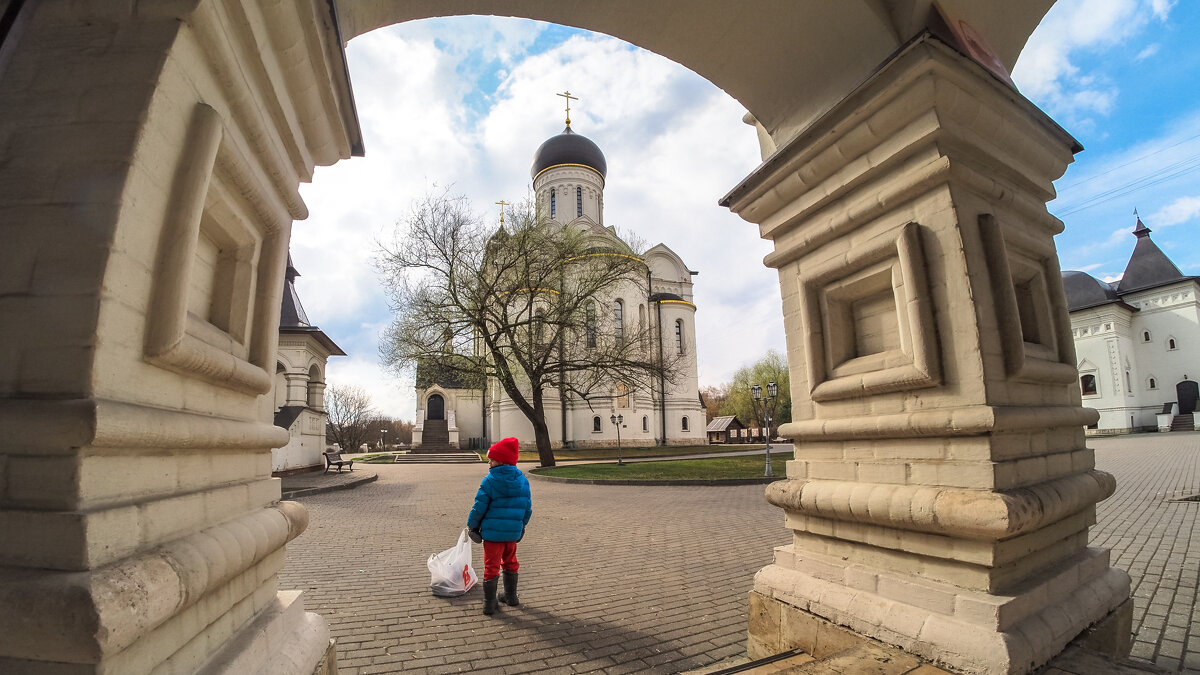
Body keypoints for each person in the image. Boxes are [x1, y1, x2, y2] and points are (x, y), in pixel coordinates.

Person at [467, 437, 532, 615]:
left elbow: (479, 506)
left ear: (501, 460)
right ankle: (511, 597)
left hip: (492, 535)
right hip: (512, 533)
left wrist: (472, 526)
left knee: (491, 565)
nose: (489, 463)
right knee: (511, 562)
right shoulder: (522, 480)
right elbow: (527, 506)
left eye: (492, 459)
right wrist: (522, 525)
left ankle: (489, 603)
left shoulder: (489, 481)